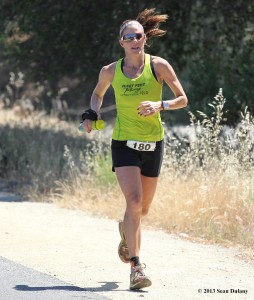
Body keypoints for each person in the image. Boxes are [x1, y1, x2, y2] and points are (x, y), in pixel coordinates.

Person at [82, 8, 188, 290]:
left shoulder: (159, 66)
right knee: (134, 202)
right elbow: (97, 94)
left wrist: (160, 105)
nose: (134, 40)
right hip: (124, 143)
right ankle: (137, 268)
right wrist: (93, 113)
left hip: (154, 142)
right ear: (122, 43)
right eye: (129, 37)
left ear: (145, 38)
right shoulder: (110, 71)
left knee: (144, 211)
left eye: (138, 35)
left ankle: (127, 235)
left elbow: (182, 99)